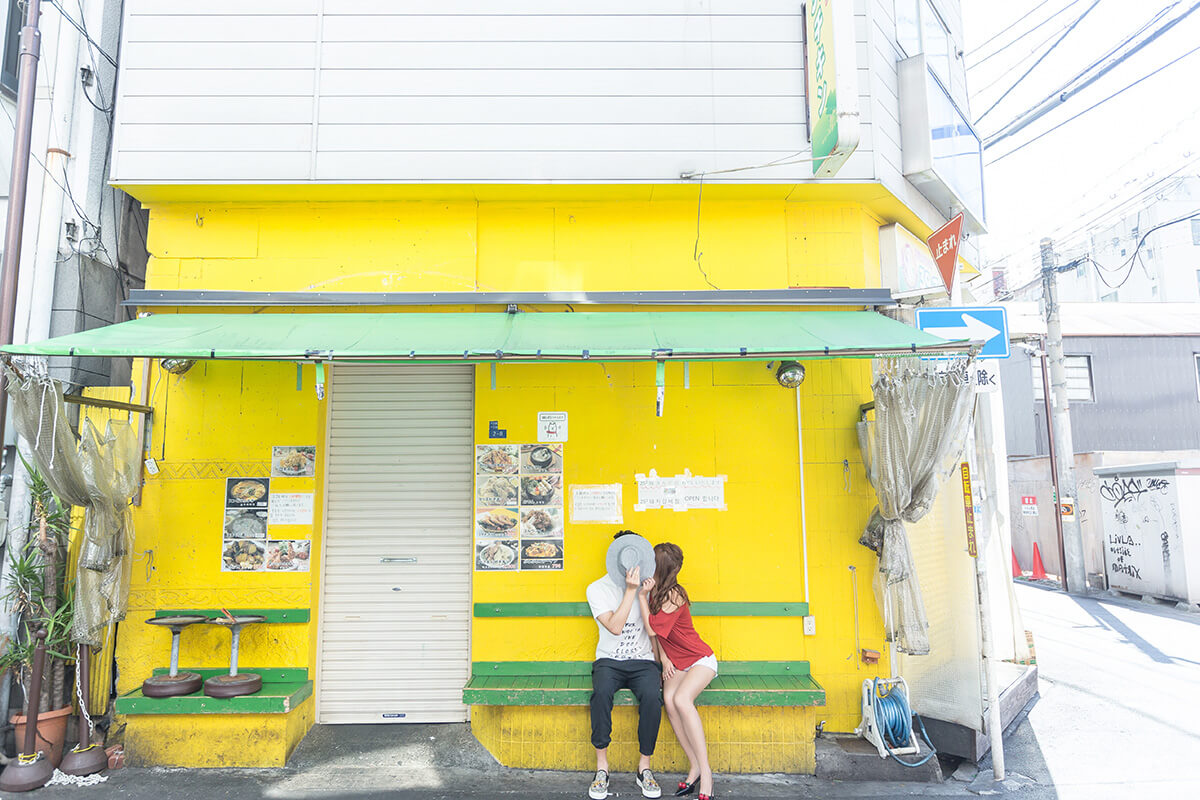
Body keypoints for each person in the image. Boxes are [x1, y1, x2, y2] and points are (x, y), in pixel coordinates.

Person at [586, 531, 663, 800]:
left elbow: (656, 631)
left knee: (654, 697)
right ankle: (602, 767)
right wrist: (630, 591)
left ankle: (645, 767)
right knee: (601, 696)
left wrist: (659, 663)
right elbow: (616, 627)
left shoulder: (649, 587)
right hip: (609, 660)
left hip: (642, 661)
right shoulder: (598, 588)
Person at [639, 543, 718, 800]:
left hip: (699, 659)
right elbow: (661, 635)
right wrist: (664, 658)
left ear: (660, 567)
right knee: (670, 703)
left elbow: (652, 629)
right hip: (676, 661)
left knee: (683, 701)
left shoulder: (674, 594)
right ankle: (693, 765)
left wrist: (641, 597)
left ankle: (706, 773)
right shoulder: (657, 592)